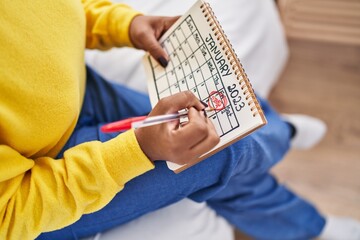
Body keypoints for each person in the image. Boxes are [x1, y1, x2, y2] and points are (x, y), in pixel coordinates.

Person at [1, 1, 359, 240]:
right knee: (219, 145)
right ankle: (283, 140)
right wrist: (137, 150)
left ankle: (279, 145)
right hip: (39, 179)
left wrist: (123, 25)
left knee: (223, 126)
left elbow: (57, 12)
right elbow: (11, 211)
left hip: (82, 89)